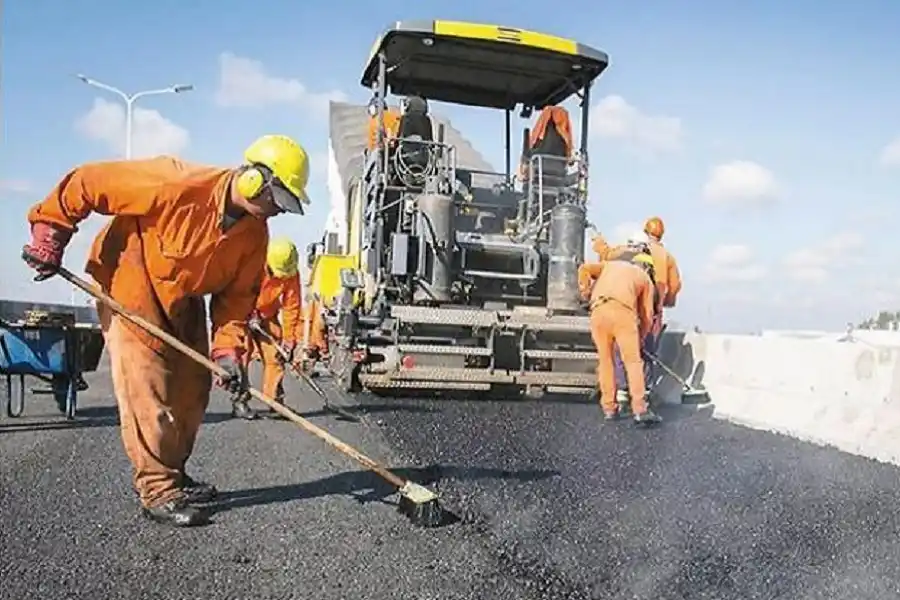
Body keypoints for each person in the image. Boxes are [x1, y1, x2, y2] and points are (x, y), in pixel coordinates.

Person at [21, 134, 312, 528]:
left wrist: (228, 352)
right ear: (252, 180)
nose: (278, 211)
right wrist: (51, 231)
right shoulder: (174, 182)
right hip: (131, 282)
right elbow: (89, 182)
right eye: (278, 200)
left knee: (193, 389)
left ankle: (173, 471)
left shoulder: (255, 235)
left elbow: (237, 300)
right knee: (148, 388)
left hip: (183, 296)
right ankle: (157, 489)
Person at [586, 250, 662, 425]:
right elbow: (647, 315)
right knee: (633, 363)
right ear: (648, 267)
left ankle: (609, 408)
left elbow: (585, 268)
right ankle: (640, 410)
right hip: (622, 313)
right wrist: (641, 338)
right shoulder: (644, 278)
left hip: (598, 312)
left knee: (606, 362)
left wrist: (585, 291)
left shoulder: (609, 265)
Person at [233, 237, 303, 420]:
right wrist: (250, 312)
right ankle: (240, 401)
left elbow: (291, 306)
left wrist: (289, 340)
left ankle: (275, 402)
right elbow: (237, 292)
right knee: (243, 356)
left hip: (268, 316)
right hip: (243, 313)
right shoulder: (252, 262)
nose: (281, 278)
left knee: (276, 356)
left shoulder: (290, 272)